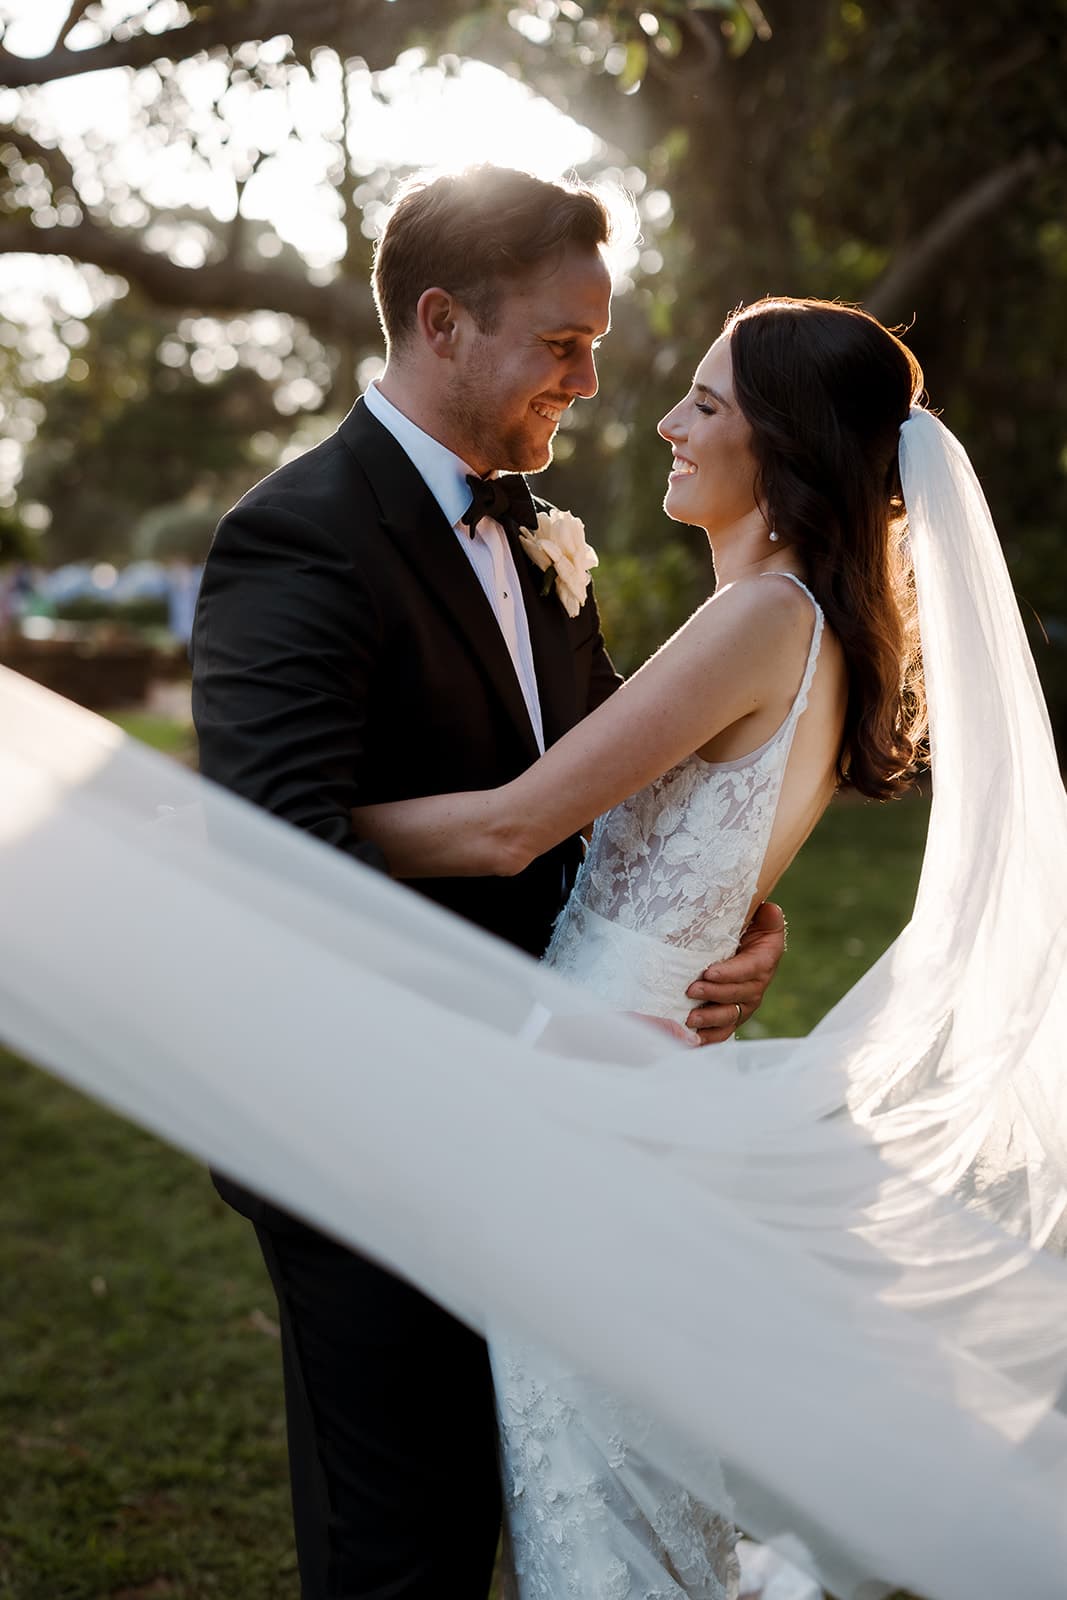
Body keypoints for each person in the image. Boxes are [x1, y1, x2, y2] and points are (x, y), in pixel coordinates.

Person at [189, 165, 785, 1600]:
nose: (590, 381)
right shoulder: (298, 537)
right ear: (444, 323)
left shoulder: (537, 532)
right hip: (368, 1133)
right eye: (561, 345)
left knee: (531, 1499)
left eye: (596, 343)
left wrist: (725, 913)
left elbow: (603, 785)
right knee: (408, 1549)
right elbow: (280, 861)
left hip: (546, 1110)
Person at [347, 294, 928, 1597]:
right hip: (644, 1071)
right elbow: (717, 856)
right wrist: (750, 923)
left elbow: (510, 828)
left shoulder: (760, 619)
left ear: (785, 446)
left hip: (589, 1098)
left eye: (707, 405)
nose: (666, 420)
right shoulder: (817, 628)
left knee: (604, 1515)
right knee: (628, 1489)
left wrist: (263, 819)